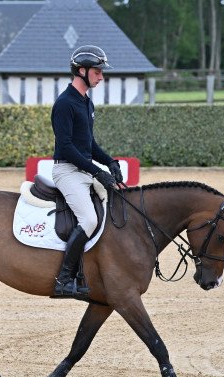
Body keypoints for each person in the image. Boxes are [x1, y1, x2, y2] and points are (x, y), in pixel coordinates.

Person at [51, 44, 124, 300]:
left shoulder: (86, 102)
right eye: (97, 72)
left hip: (83, 169)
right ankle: (64, 279)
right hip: (67, 171)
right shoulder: (64, 104)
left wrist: (110, 162)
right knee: (90, 220)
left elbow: (89, 144)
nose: (101, 76)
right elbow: (67, 147)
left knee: (118, 202)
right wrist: (97, 171)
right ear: (81, 71)